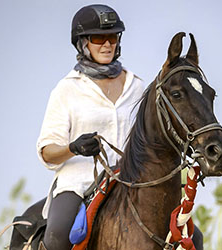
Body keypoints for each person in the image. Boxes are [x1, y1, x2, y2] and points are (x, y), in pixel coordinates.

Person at [36, 4, 145, 250]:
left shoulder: (137, 86)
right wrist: (73, 147)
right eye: (98, 38)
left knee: (192, 234)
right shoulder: (67, 89)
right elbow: (46, 152)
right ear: (83, 43)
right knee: (57, 236)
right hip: (79, 182)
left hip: (131, 181)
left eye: (112, 37)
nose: (107, 45)